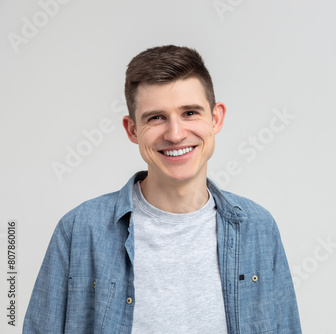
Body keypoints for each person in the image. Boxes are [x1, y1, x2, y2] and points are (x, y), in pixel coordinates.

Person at [23, 45, 302, 333]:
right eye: (156, 117)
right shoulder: (80, 230)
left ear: (216, 118)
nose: (175, 134)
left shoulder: (258, 228)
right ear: (132, 129)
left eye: (190, 112)